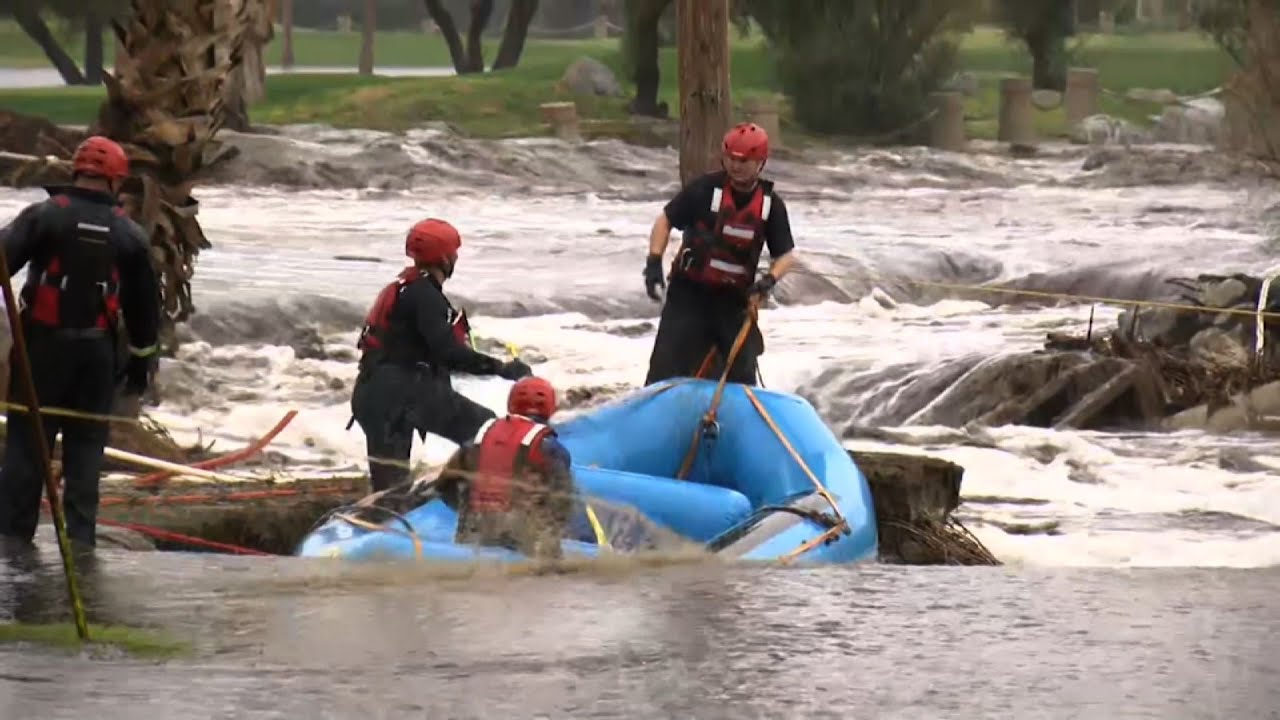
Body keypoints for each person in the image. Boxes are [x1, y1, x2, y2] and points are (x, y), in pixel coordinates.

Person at [0, 135, 162, 548]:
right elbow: (145, 310)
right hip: (95, 359)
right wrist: (142, 361)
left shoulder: (43, 216)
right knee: (86, 451)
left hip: (41, 352)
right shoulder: (129, 233)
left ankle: (13, 551)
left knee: (26, 447)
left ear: (77, 172)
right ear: (116, 182)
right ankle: (81, 548)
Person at [350, 218, 532, 493]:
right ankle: (464, 498)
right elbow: (449, 354)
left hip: (371, 393)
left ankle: (390, 520)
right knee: (487, 432)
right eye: (454, 253)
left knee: (389, 489)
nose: (456, 258)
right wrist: (502, 368)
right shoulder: (425, 296)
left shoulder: (402, 287)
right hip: (405, 392)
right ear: (445, 257)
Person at [641, 122, 798, 386]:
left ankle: (735, 415)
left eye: (744, 161)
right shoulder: (704, 190)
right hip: (688, 296)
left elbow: (786, 256)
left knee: (742, 372)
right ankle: (655, 405)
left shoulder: (772, 206)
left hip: (733, 301)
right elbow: (665, 220)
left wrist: (768, 281)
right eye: (731, 159)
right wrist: (654, 261)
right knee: (664, 369)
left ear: (760, 162)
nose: (736, 166)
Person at [434, 376, 573, 561]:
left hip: (475, 528)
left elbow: (444, 485)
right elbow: (563, 500)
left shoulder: (480, 438)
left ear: (511, 404)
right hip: (520, 532)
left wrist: (467, 510)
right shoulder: (550, 447)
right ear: (550, 408)